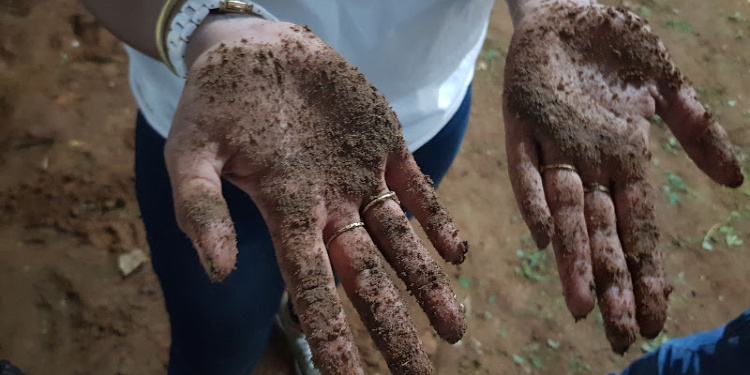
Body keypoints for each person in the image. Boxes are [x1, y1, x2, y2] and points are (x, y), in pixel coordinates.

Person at [77, 0, 744, 374]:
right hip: (231, 121)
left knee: (336, 266)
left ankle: (295, 316)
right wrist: (204, 23)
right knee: (217, 337)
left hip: (418, 113)